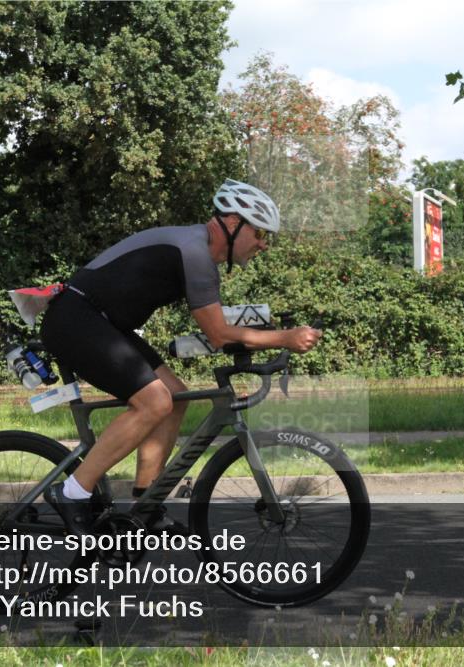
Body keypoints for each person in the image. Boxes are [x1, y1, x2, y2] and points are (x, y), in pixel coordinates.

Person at [39, 179, 322, 534]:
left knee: (174, 397)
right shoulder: (194, 251)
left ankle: (145, 505)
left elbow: (217, 330)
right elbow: (219, 335)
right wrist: (285, 339)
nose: (264, 244)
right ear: (233, 223)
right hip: (76, 319)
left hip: (102, 322)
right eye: (260, 233)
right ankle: (72, 492)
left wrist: (269, 339)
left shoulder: (197, 252)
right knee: (154, 401)